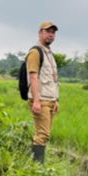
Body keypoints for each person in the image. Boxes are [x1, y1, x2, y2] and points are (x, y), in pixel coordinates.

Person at [26, 22, 60, 162]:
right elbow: (33, 77)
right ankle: (37, 167)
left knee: (45, 134)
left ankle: (37, 165)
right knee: (43, 134)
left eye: (53, 32)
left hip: (50, 99)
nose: (50, 34)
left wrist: (56, 99)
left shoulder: (49, 53)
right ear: (40, 32)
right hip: (41, 99)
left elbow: (54, 79)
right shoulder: (35, 52)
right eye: (47, 31)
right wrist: (36, 101)